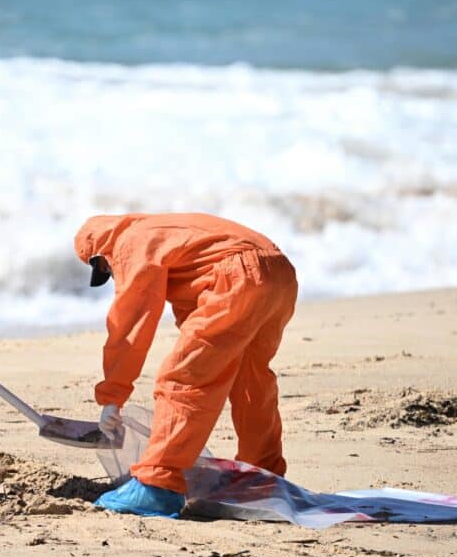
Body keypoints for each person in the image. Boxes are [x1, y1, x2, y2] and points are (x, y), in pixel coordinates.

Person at [74, 213, 298, 518]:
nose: (113, 276)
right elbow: (194, 306)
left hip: (238, 276)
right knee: (251, 380)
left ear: (101, 256)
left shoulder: (129, 243)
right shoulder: (168, 231)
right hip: (279, 273)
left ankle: (157, 484)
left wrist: (112, 396)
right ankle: (260, 479)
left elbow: (130, 324)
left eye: (106, 271)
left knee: (182, 377)